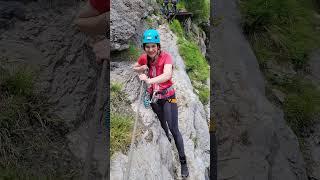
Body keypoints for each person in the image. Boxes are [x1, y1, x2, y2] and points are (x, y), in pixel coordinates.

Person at [133, 29, 189, 178]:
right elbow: (135, 66)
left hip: (169, 97)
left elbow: (167, 75)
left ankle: (183, 162)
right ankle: (166, 138)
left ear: (158, 46)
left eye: (153, 46)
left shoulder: (167, 57)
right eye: (147, 46)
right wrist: (141, 68)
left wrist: (148, 80)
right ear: (144, 47)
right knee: (162, 123)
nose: (150, 49)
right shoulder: (145, 58)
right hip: (155, 99)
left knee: (174, 128)